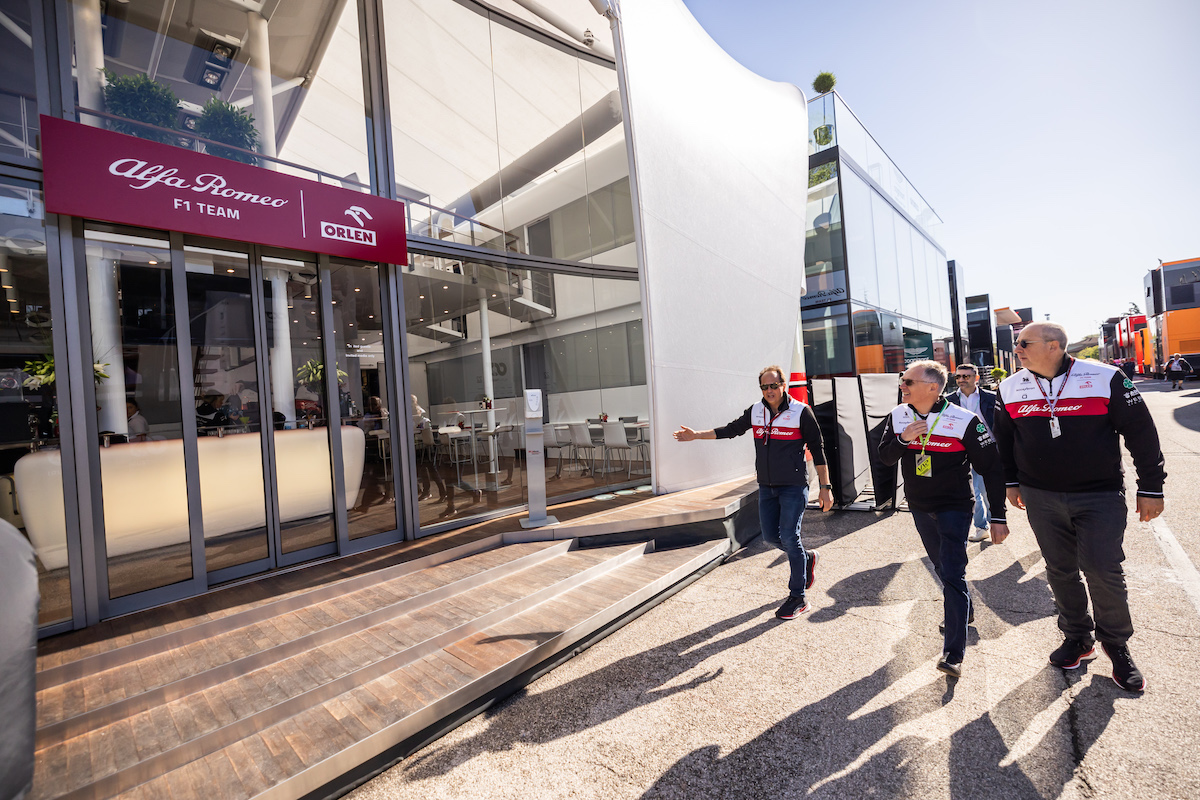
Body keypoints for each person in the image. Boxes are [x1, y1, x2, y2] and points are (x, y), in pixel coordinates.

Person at [995, 322, 1166, 692]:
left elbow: (1141, 432)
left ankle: (1116, 645)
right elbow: (1004, 440)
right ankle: (1077, 637)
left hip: (1099, 494)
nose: (1017, 349)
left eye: (1025, 343)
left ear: (1054, 345)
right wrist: (1011, 482)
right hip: (1040, 496)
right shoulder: (1009, 387)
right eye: (1017, 343)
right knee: (1059, 570)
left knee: (1102, 569)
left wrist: (1151, 486)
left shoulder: (1106, 377)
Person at [878, 360, 1008, 678]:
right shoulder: (898, 416)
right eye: (902, 381)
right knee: (945, 570)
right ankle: (965, 608)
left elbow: (992, 467)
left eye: (908, 381)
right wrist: (904, 439)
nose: (902, 386)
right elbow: (884, 456)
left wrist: (997, 516)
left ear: (933, 387)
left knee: (951, 573)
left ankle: (953, 653)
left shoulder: (964, 419)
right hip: (920, 508)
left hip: (955, 508)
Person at [674, 365, 834, 619]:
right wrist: (696, 436)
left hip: (793, 486)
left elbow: (819, 449)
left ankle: (798, 597)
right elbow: (730, 430)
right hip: (767, 487)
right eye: (764, 386)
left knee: (790, 537)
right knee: (771, 537)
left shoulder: (801, 412)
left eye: (773, 385)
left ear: (784, 385)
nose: (769, 391)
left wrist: (825, 487)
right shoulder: (756, 411)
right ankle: (806, 558)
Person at [946, 363, 998, 543]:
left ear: (976, 378)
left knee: (987, 490)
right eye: (958, 377)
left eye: (966, 376)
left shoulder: (991, 398)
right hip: (961, 452)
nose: (961, 380)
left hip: (986, 449)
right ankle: (981, 527)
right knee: (973, 492)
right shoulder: (949, 400)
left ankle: (996, 524)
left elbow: (1000, 424)